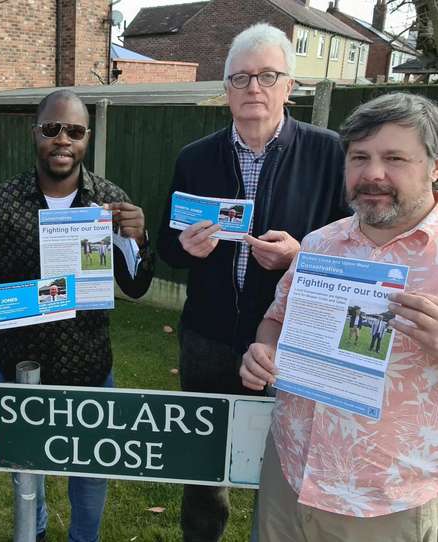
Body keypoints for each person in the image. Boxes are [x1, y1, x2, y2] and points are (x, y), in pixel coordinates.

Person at [156, 23, 349, 542]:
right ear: (225, 92)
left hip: (290, 342)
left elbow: (355, 247)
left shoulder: (330, 154)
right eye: (240, 78)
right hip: (208, 339)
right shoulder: (195, 158)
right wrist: (185, 248)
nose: (253, 89)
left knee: (286, 463)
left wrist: (299, 254)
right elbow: (166, 247)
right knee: (204, 469)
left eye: (267, 76)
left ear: (290, 86)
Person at [240, 92, 438, 541]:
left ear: (434, 166)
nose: (373, 174)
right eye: (359, 157)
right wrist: (263, 348)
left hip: (382, 502)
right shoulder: (318, 244)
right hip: (288, 475)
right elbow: (275, 320)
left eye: (394, 158)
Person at [0, 89, 154, 542]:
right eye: (52, 129)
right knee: (26, 478)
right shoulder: (3, 203)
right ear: (35, 133)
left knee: (90, 484)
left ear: (86, 138)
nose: (62, 140)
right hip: (18, 370)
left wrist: (138, 239)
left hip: (88, 369)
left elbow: (136, 285)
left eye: (74, 131)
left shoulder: (109, 202)